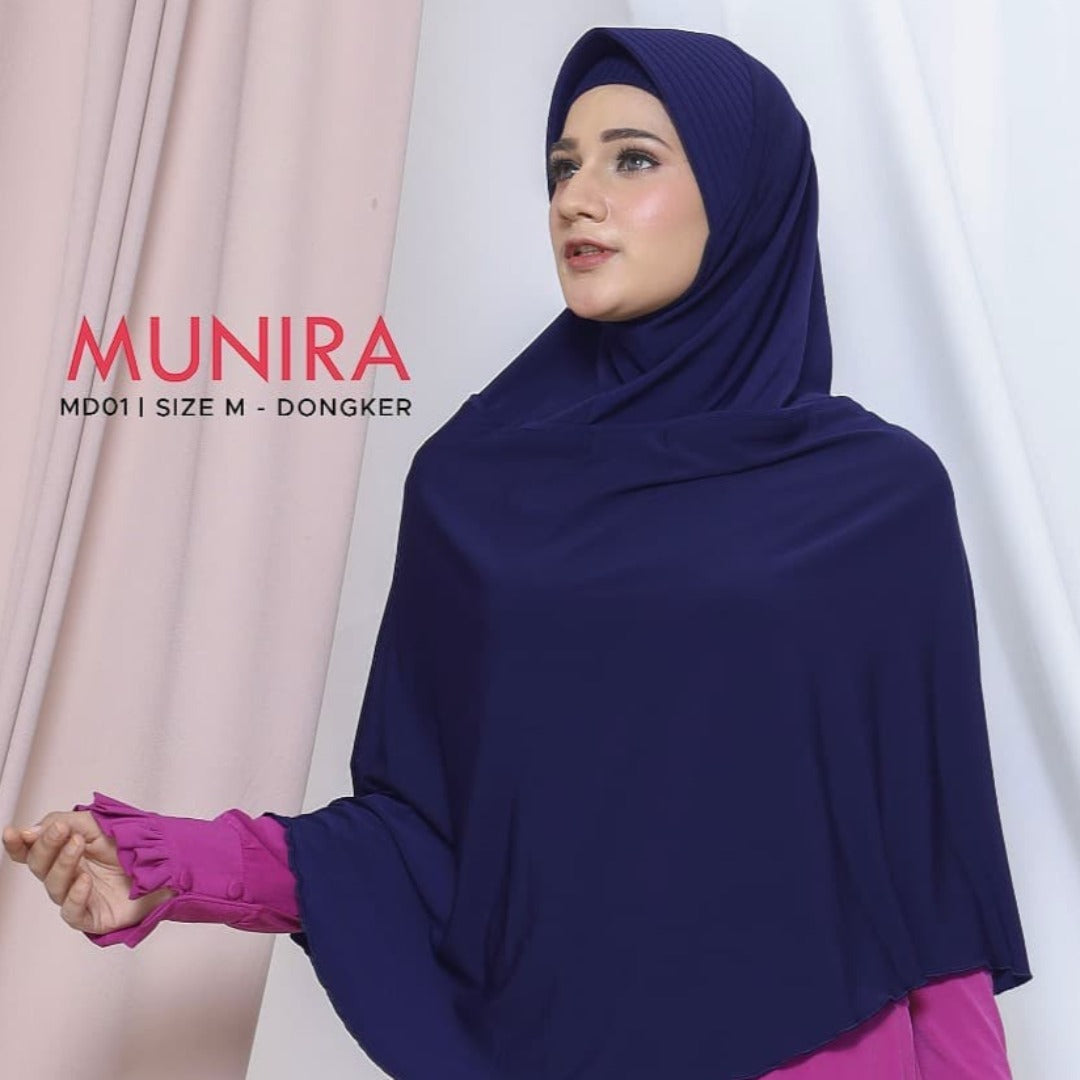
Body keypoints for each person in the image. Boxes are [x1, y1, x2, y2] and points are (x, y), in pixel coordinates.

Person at [3, 25, 1031, 1080]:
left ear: (744, 197)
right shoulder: (473, 490)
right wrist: (170, 865)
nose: (577, 198)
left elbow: (930, 876)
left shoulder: (874, 500)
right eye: (563, 166)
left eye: (632, 160)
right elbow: (418, 836)